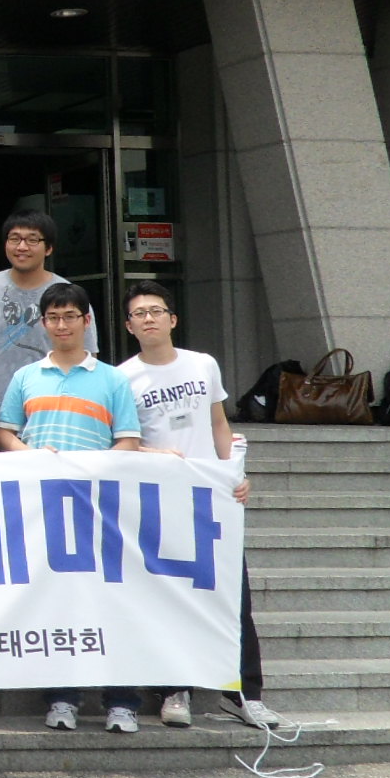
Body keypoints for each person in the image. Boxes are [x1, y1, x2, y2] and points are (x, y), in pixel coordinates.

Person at [117, 279, 278, 730]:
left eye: (156, 310)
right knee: (169, 597)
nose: (148, 319)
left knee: (233, 598)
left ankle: (244, 694)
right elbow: (123, 442)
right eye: (139, 313)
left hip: (210, 500)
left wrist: (234, 473)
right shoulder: (122, 377)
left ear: (172, 319)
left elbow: (218, 424)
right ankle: (174, 690)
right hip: (159, 501)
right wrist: (156, 455)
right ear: (129, 326)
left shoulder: (203, 364)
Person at [0, 282, 144, 735]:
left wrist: (94, 467)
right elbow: (5, 433)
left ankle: (122, 702)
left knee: (113, 602)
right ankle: (62, 697)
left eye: (70, 317)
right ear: (43, 323)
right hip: (44, 507)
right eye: (54, 318)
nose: (62, 325)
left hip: (99, 507)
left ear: (86, 321)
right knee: (54, 602)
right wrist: (33, 456)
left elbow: (129, 440)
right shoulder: (26, 377)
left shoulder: (112, 379)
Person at [0, 210, 99, 430]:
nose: (22, 247)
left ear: (49, 248)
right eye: (14, 239)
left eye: (32, 240)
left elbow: (88, 356)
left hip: (54, 414)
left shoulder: (69, 295)